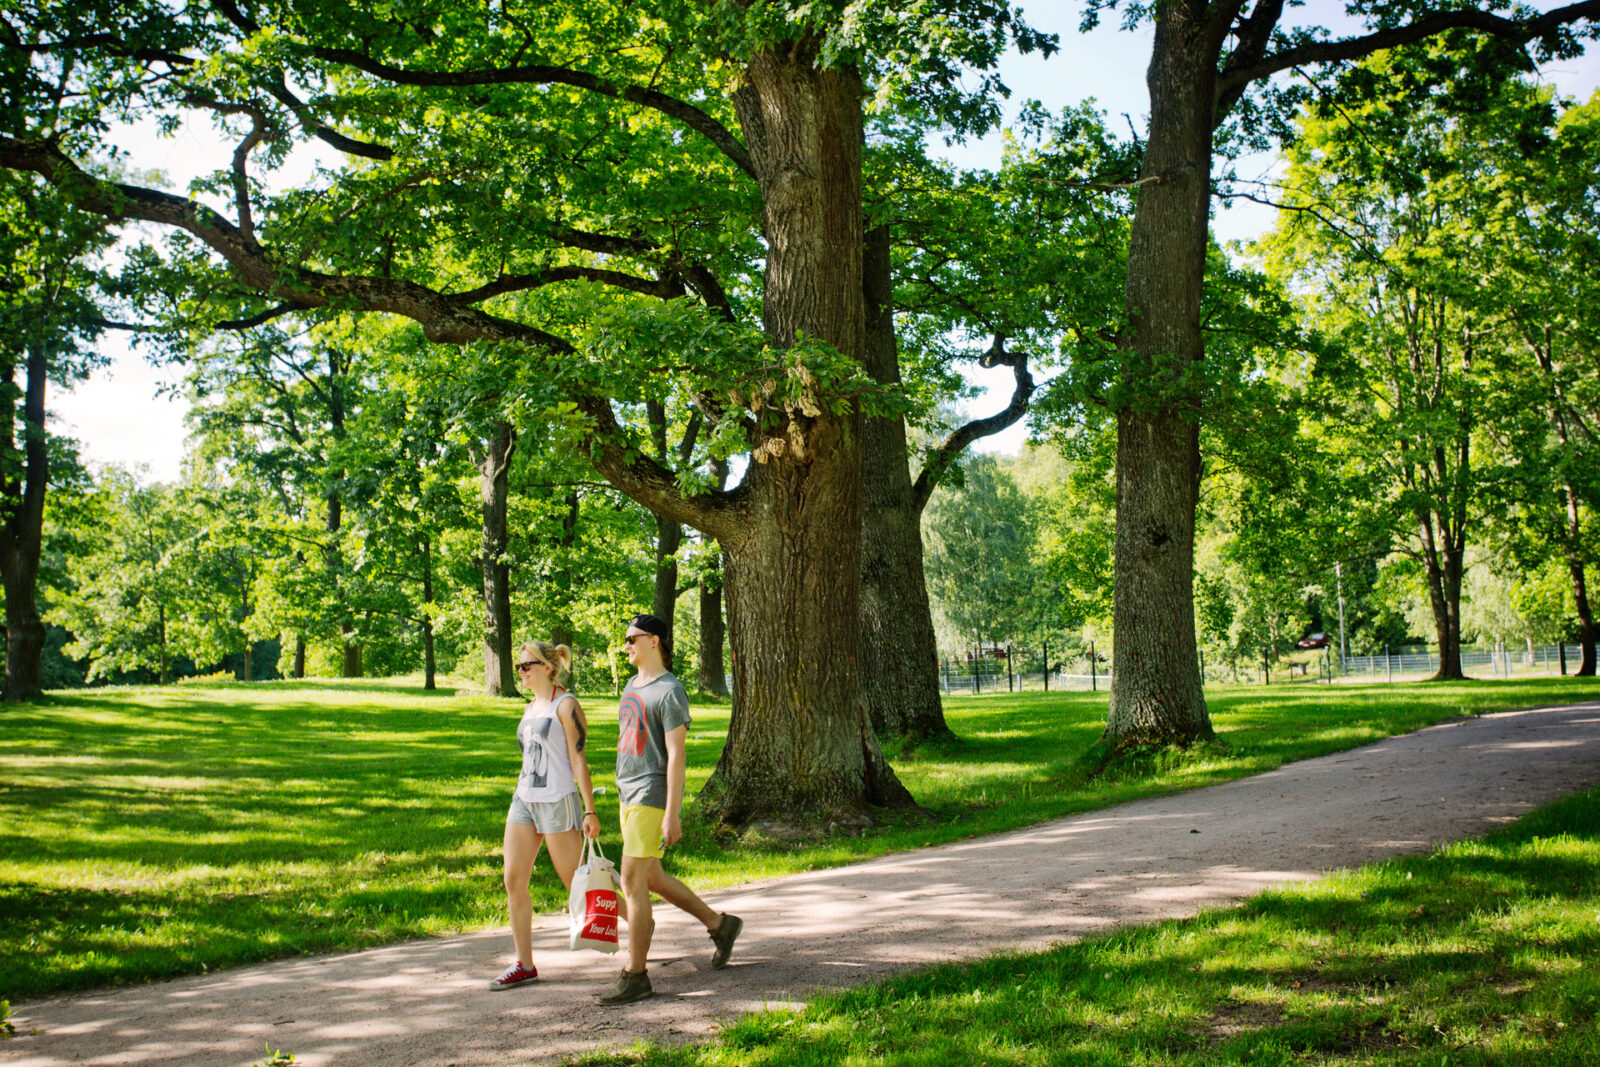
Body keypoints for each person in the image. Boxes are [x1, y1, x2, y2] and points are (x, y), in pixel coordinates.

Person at [597, 612, 741, 1006]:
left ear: (654, 641)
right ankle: (719, 924)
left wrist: (672, 813)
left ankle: (636, 975)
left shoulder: (670, 691)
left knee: (631, 880)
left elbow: (676, 756)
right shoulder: (632, 684)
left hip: (650, 793)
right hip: (628, 793)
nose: (626, 645)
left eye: (632, 639)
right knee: (653, 877)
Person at [490, 639, 602, 990]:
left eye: (528, 665)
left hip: (557, 799)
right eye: (519, 666)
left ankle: (638, 921)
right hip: (524, 800)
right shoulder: (531, 708)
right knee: (513, 879)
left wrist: (590, 809)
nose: (521, 671)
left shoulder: (566, 705)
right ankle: (525, 964)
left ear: (549, 668)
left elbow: (579, 759)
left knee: (576, 883)